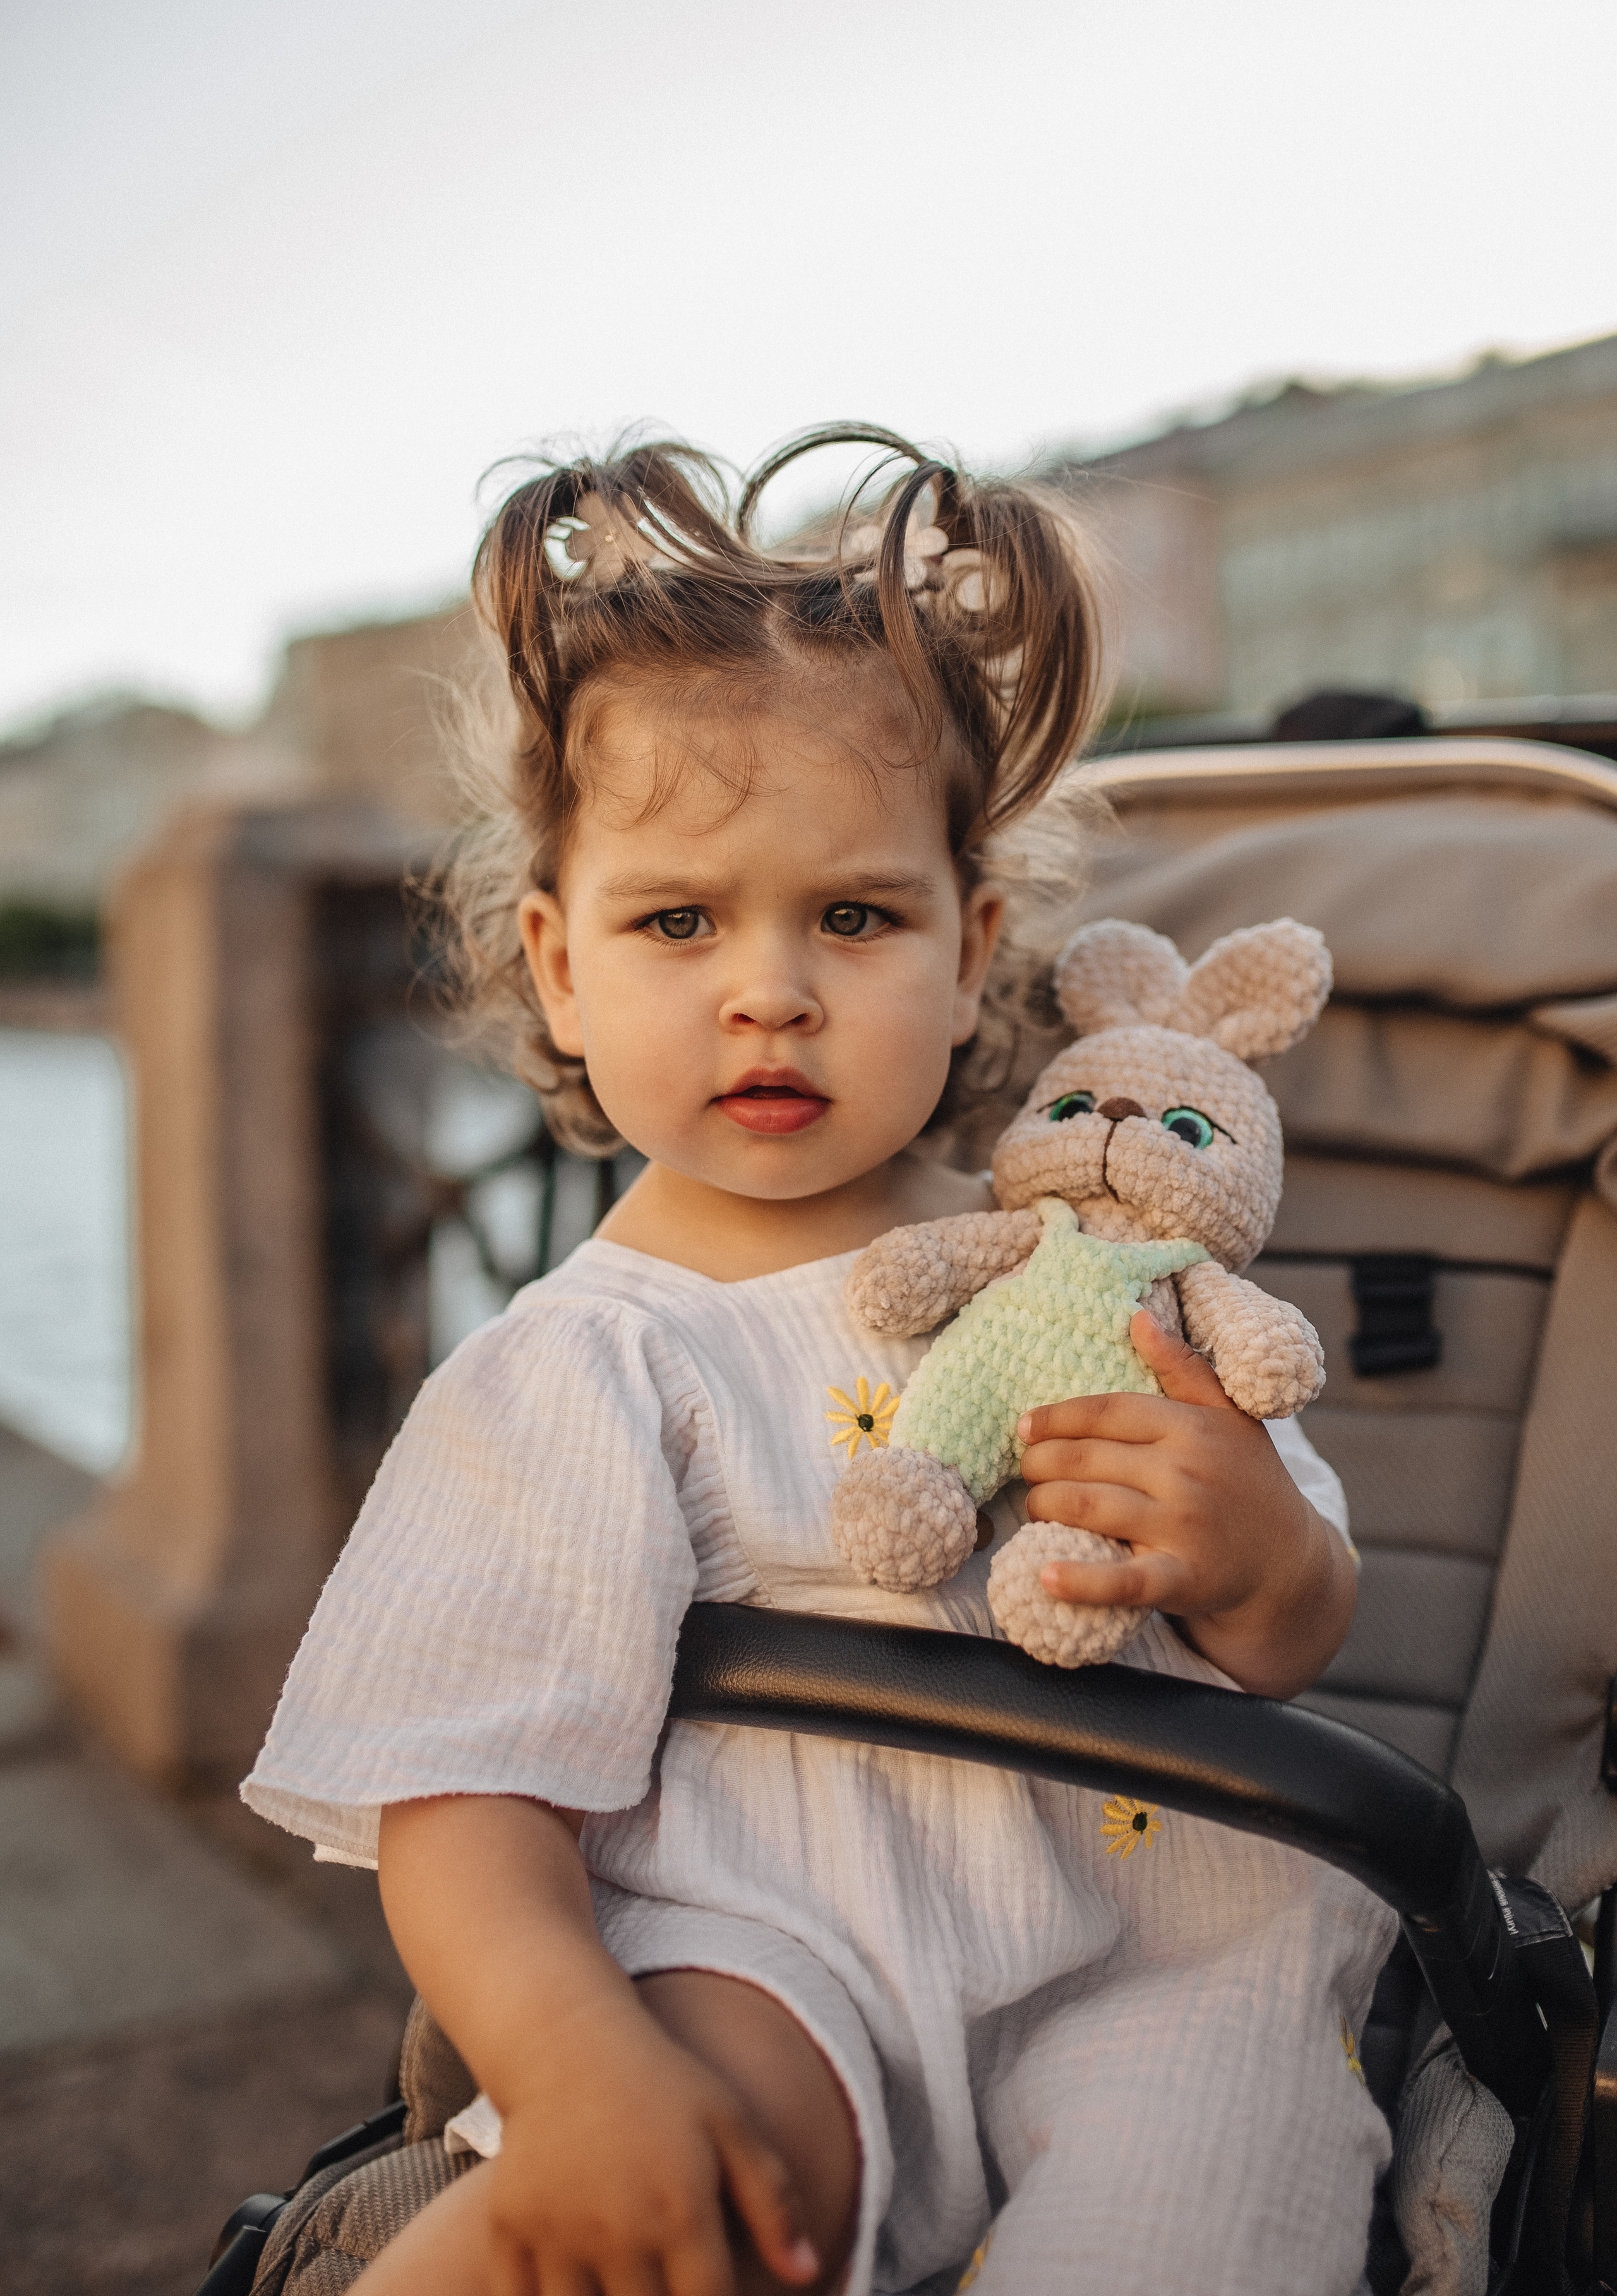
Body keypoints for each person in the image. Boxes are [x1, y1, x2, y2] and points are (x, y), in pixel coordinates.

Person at [244, 427, 1392, 2296]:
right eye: (678, 920)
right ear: (555, 963)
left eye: (853, 916)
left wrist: (1263, 1550)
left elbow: (1299, 1621)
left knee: (1206, 2219)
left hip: (1174, 1938)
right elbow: (464, 1800)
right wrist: (574, 2061)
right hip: (779, 1943)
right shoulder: (584, 1365)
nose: (767, 986)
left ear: (971, 949)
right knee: (673, 2179)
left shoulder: (1097, 1271)